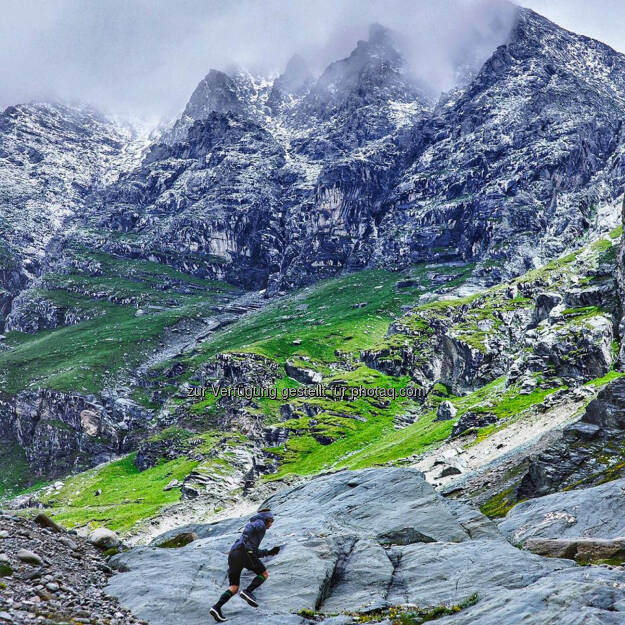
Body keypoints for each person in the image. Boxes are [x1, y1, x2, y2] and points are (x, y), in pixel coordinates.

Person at [210, 509, 280, 622]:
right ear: (266, 519)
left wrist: (269, 552)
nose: (271, 524)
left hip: (234, 554)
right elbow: (250, 528)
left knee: (234, 587)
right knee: (264, 574)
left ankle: (216, 607)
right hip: (244, 552)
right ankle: (248, 591)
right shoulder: (260, 524)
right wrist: (246, 541)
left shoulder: (254, 534)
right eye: (271, 521)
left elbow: (255, 551)